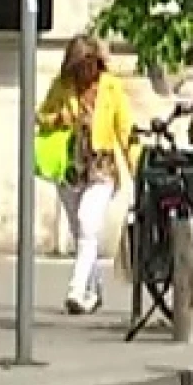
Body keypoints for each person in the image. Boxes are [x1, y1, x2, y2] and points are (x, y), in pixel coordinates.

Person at [36, 35, 133, 314]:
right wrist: (60, 119)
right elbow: (42, 116)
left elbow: (124, 130)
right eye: (80, 66)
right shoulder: (63, 85)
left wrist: (136, 165)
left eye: (90, 65)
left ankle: (77, 290)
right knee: (82, 231)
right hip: (70, 167)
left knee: (87, 221)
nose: (86, 72)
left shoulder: (111, 87)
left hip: (101, 166)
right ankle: (95, 289)